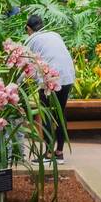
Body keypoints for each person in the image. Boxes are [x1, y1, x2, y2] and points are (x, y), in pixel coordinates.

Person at [25, 13, 75, 160]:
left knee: (46, 113)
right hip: (67, 75)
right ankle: (59, 152)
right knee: (60, 112)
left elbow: (25, 64)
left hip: (50, 78)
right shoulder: (55, 34)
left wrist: (14, 84)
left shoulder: (31, 39)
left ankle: (47, 153)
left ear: (28, 28)